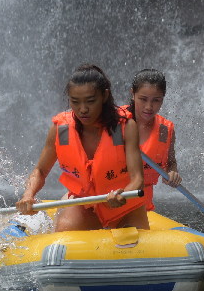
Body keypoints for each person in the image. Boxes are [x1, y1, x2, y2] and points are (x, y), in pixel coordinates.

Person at [15, 64, 146, 231]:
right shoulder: (60, 130)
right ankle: (65, 204)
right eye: (75, 102)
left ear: (104, 95)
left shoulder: (126, 127)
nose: (83, 109)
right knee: (65, 228)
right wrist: (28, 195)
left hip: (124, 205)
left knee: (133, 247)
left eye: (90, 101)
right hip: (85, 203)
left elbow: (138, 180)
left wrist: (124, 194)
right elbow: (40, 171)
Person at [127, 69, 181, 208]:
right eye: (143, 99)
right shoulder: (113, 121)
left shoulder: (165, 131)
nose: (149, 107)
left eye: (156, 100)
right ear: (132, 94)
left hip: (141, 204)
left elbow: (170, 162)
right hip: (108, 197)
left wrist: (172, 173)